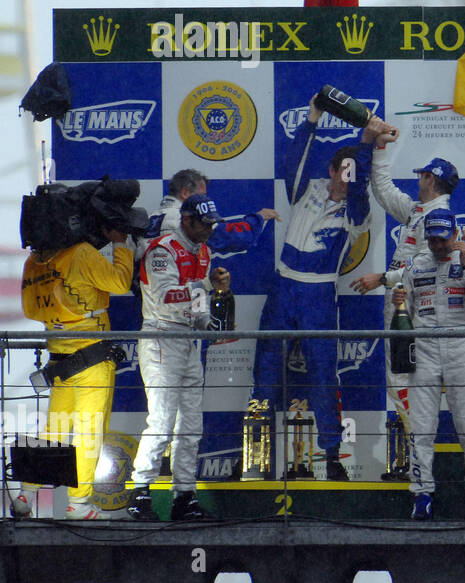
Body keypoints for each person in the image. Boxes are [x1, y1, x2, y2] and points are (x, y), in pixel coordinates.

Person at [249, 97, 393, 480]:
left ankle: (331, 457)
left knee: (324, 374)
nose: (346, 180)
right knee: (265, 370)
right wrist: (312, 114)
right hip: (283, 287)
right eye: (341, 172)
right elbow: (292, 160)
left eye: (352, 174)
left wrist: (366, 144)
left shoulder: (356, 211)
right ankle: (255, 456)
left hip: (318, 295)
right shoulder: (306, 187)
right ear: (331, 169)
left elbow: (362, 188)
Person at [15, 213, 136, 519]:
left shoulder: (36, 260)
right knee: (89, 432)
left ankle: (25, 495)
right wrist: (121, 245)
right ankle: (78, 505)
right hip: (91, 360)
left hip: (59, 362)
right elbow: (120, 282)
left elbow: (30, 308)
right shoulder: (82, 254)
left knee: (53, 428)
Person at [351, 147, 459, 470]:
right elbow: (383, 189)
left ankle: (421, 458)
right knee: (401, 383)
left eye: (422, 175)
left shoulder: (440, 218)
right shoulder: (417, 210)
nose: (418, 180)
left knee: (404, 383)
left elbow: (426, 265)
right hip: (403, 308)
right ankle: (419, 456)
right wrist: (380, 148)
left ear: (431, 179)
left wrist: (382, 278)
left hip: (414, 311)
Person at [127, 194, 231, 522]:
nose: (209, 230)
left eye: (212, 224)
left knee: (191, 424)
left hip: (188, 341)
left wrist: (206, 322)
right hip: (161, 337)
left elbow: (195, 300)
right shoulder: (163, 250)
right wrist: (203, 286)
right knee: (160, 421)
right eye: (204, 224)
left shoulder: (202, 252)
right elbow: (166, 298)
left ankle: (184, 496)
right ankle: (140, 492)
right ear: (186, 220)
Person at [393, 209, 465, 521]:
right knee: (421, 426)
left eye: (443, 238)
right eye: (432, 238)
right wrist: (399, 299)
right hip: (423, 346)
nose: (437, 245)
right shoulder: (415, 264)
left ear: (455, 234)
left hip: (460, 343)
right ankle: (421, 494)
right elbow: (404, 311)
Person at [138, 168, 278, 256]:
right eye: (202, 195)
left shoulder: (148, 219)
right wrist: (258, 218)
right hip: (183, 296)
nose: (204, 199)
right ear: (185, 193)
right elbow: (232, 238)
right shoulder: (190, 220)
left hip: (150, 298)